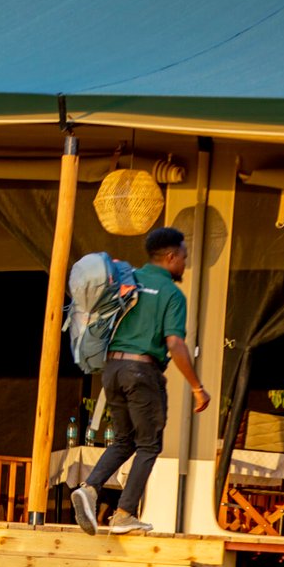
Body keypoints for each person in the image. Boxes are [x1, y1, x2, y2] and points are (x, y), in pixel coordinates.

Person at [71, 226, 210, 535]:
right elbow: (175, 343)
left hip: (112, 371)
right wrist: (198, 388)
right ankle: (124, 514)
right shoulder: (172, 294)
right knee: (149, 445)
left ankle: (90, 488)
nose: (185, 264)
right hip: (142, 372)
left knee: (124, 440)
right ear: (171, 256)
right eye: (184, 258)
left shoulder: (127, 279)